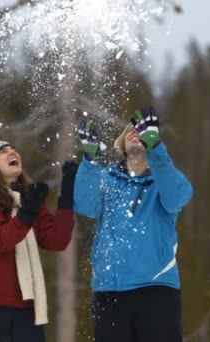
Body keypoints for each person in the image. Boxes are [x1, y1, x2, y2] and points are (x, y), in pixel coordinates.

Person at [74, 106, 193, 342]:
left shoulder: (163, 180)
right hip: (109, 293)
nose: (135, 133)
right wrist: (89, 160)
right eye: (130, 130)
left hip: (156, 289)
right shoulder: (106, 180)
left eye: (141, 131)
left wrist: (156, 147)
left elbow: (180, 195)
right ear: (121, 144)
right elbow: (85, 205)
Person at [0, 140, 77, 342]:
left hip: (26, 307)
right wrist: (26, 213)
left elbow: (57, 240)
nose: (11, 152)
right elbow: (2, 239)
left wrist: (66, 197)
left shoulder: (29, 198)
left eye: (13, 149)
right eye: (3, 152)